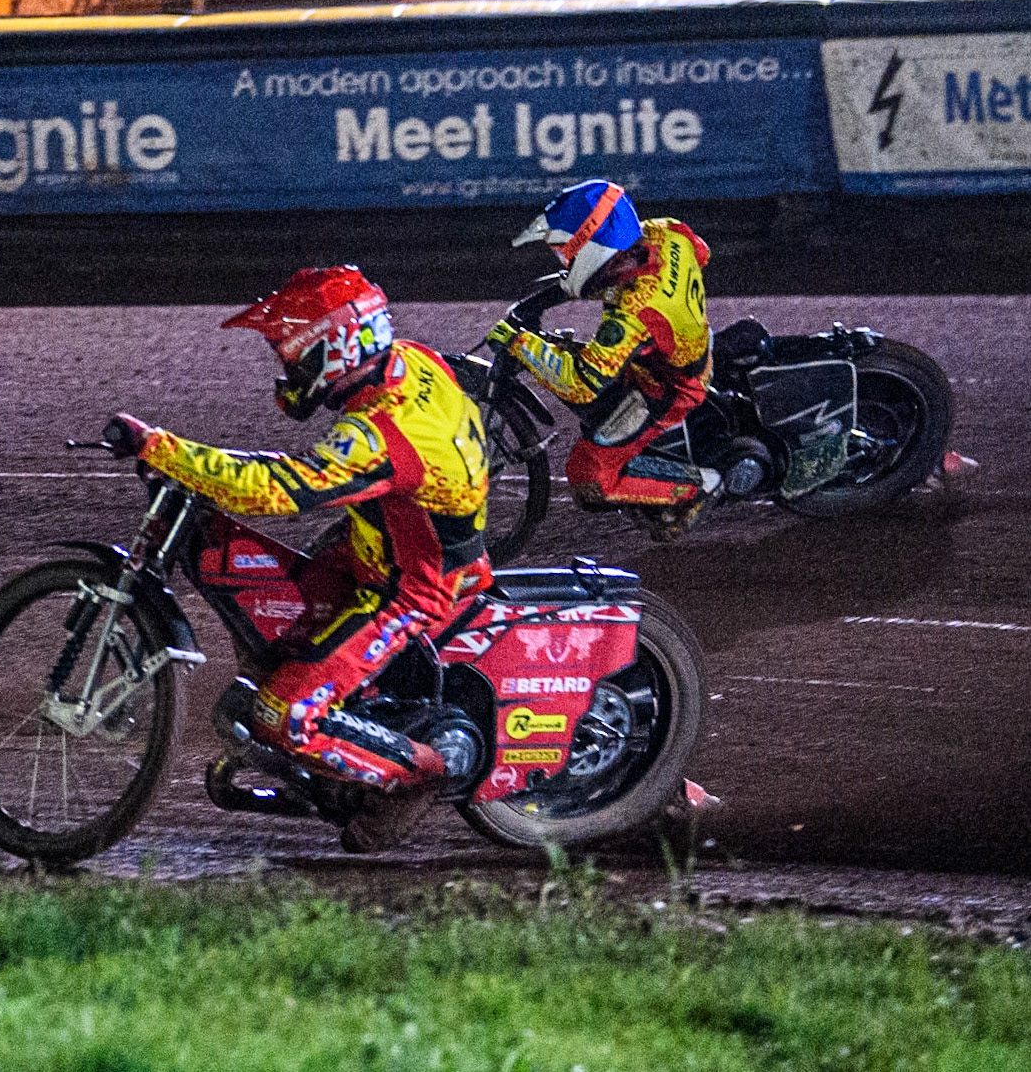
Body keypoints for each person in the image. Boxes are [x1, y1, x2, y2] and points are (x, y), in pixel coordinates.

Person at [103, 265, 492, 852]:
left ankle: (419, 773)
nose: (287, 370)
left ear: (335, 351)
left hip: (409, 589)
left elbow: (276, 490)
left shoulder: (387, 432)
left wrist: (163, 448)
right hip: (375, 546)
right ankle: (348, 725)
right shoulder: (410, 361)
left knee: (282, 714)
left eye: (293, 356)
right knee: (269, 607)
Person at [492, 178, 720, 539]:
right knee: (568, 358)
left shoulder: (635, 310)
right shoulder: (663, 232)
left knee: (589, 476)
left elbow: (580, 385)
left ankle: (699, 485)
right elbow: (700, 251)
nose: (564, 260)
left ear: (595, 242)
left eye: (567, 252)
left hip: (667, 388)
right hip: (681, 348)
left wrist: (519, 343)